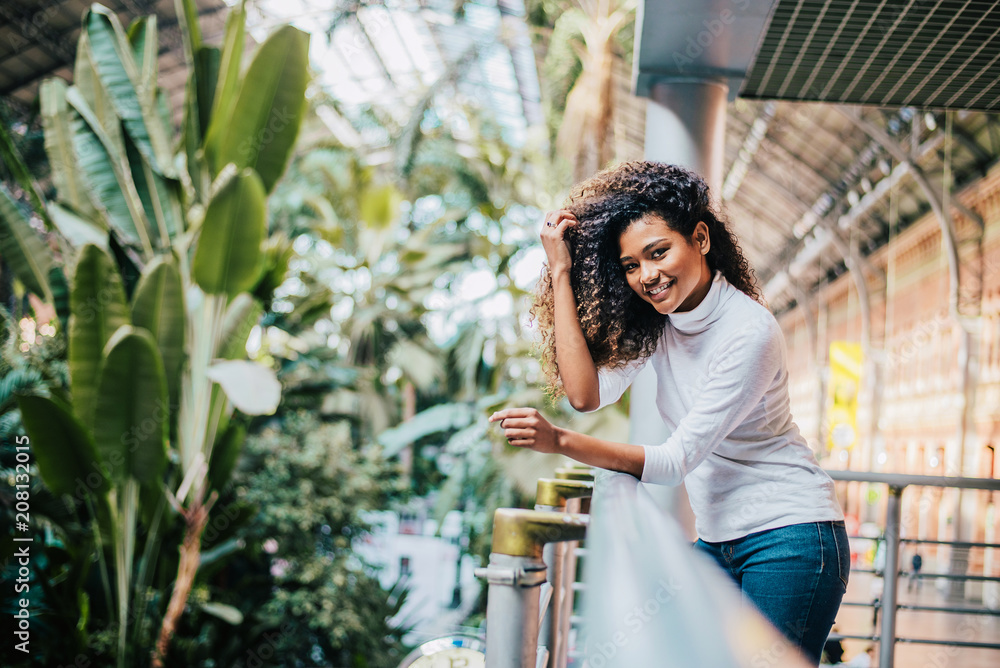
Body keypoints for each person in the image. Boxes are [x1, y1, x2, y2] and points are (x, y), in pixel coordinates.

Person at [488, 162, 848, 666]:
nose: (647, 276)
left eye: (658, 253)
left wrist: (560, 442)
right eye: (631, 265)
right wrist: (561, 271)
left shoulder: (750, 332)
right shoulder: (662, 323)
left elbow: (673, 461)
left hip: (789, 541)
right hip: (718, 539)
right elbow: (586, 394)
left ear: (699, 238)